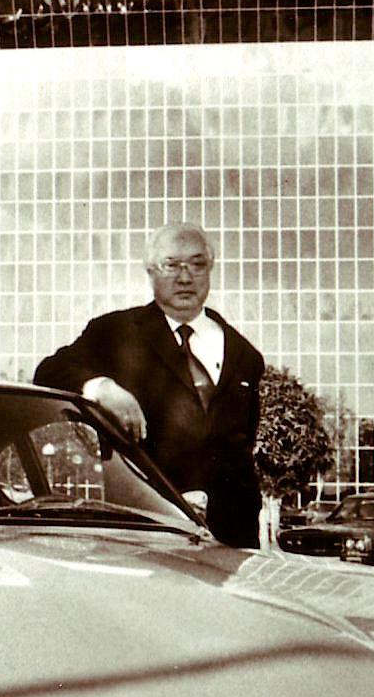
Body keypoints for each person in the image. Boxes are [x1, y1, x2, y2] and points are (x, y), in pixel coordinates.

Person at [35, 221, 264, 547]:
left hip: (233, 538)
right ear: (150, 271)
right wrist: (101, 387)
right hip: (148, 532)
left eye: (197, 265)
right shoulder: (116, 332)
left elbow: (242, 444)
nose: (185, 277)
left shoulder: (244, 355)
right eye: (171, 265)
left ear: (210, 269)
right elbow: (50, 371)